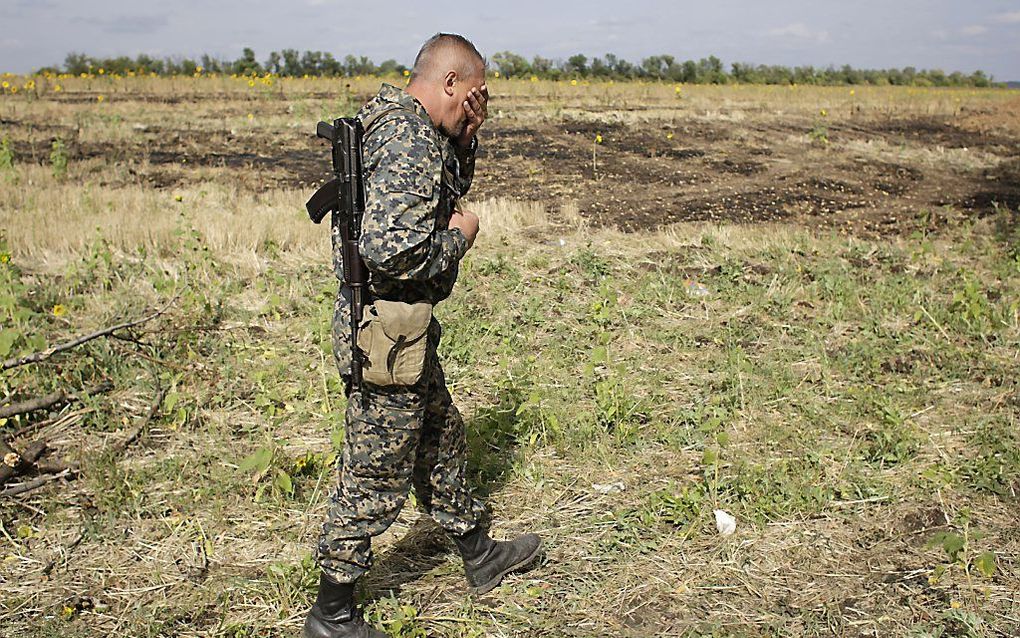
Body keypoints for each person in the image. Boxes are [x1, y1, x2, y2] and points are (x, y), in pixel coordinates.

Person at [304, 33, 542, 638]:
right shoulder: (409, 138)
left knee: (439, 436)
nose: (476, 107)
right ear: (450, 83)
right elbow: (394, 248)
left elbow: (428, 191)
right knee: (374, 472)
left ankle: (479, 553)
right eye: (474, 97)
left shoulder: (398, 121)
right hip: (387, 331)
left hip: (398, 328)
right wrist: (460, 235)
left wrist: (464, 141)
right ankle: (332, 614)